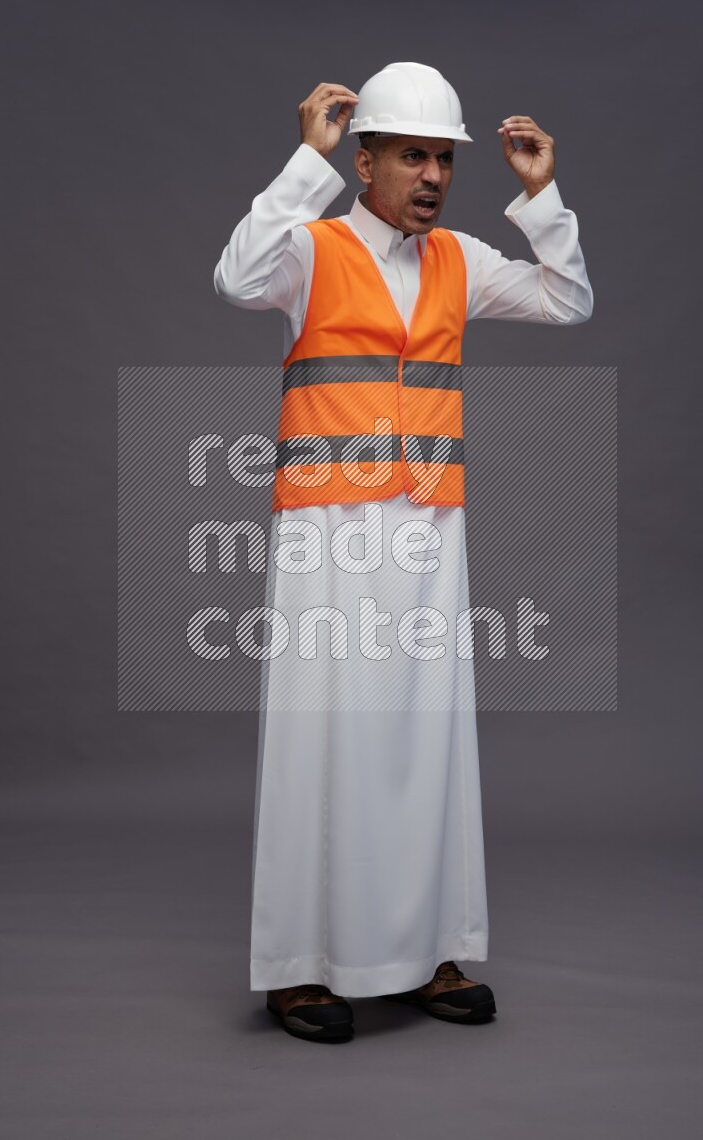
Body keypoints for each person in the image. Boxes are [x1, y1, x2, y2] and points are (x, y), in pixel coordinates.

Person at [214, 62, 593, 1043]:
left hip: (428, 531)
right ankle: (300, 969)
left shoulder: (461, 260)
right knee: (319, 738)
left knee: (427, 740)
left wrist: (541, 197)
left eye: (444, 159)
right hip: (327, 532)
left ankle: (427, 950)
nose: (431, 175)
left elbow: (567, 300)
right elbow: (235, 277)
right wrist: (304, 162)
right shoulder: (310, 250)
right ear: (365, 160)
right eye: (412, 155)